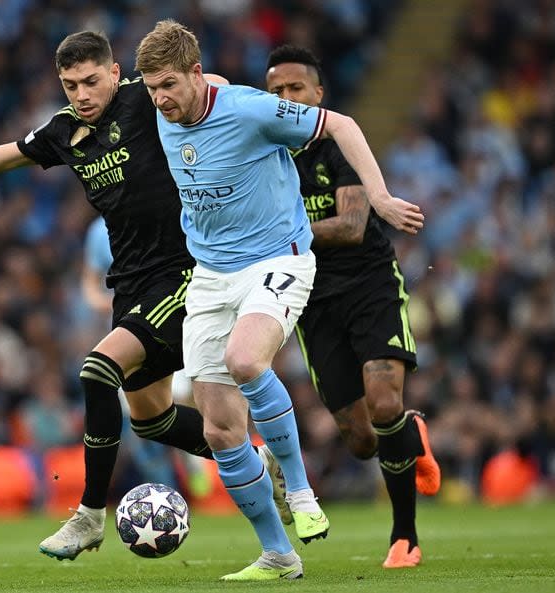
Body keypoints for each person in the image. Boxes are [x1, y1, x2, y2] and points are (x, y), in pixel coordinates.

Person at [0, 31, 288, 561]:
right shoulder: (63, 130)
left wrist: (235, 94)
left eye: (90, 81)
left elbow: (208, 90)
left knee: (97, 371)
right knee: (151, 419)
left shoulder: (145, 102)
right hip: (130, 282)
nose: (81, 93)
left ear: (115, 73)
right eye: (70, 84)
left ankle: (88, 515)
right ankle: (258, 460)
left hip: (186, 274)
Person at [135, 20, 424, 581]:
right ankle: (277, 554)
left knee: (248, 361)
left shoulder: (249, 109)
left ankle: (301, 489)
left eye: (169, 84)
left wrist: (381, 198)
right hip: (211, 275)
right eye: (151, 88)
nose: (160, 99)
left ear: (196, 74)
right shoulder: (163, 107)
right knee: (220, 427)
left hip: (278, 260)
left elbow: (340, 123)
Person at [264, 45, 441, 569]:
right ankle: (411, 434)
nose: (287, 98)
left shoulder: (339, 142)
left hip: (368, 287)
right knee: (363, 440)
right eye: (276, 91)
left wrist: (281, 234)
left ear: (318, 95)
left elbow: (351, 225)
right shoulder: (263, 154)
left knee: (383, 403)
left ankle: (404, 538)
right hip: (311, 301)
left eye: (296, 89)